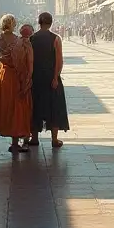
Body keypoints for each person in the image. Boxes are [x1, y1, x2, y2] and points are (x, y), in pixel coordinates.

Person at [0, 14, 33, 153]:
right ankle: (20, 140)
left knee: (8, 107)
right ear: (13, 24)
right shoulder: (19, 41)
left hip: (3, 76)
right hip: (15, 76)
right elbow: (22, 61)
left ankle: (14, 141)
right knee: (19, 106)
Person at [29, 12, 70, 149]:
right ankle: (54, 139)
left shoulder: (32, 38)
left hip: (36, 77)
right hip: (51, 77)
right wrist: (55, 77)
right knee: (54, 107)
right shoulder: (56, 39)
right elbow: (59, 60)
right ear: (51, 23)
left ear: (39, 22)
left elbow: (29, 60)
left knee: (36, 106)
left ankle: (34, 138)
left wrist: (29, 77)